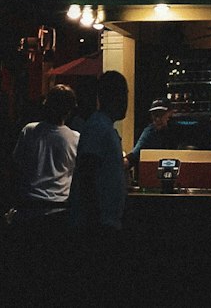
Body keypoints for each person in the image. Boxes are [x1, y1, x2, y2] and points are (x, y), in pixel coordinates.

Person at [66, 70, 128, 233]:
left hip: (101, 221)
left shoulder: (103, 126)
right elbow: (88, 171)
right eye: (122, 94)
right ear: (110, 96)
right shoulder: (99, 127)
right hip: (97, 223)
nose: (126, 102)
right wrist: (94, 219)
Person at [12, 83, 80, 221]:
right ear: (69, 110)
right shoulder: (76, 138)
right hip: (60, 208)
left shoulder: (29, 130)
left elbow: (16, 166)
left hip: (30, 206)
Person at [127, 100, 172, 172]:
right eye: (155, 115)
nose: (157, 119)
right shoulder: (149, 132)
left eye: (161, 114)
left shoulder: (175, 131)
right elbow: (134, 155)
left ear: (169, 114)